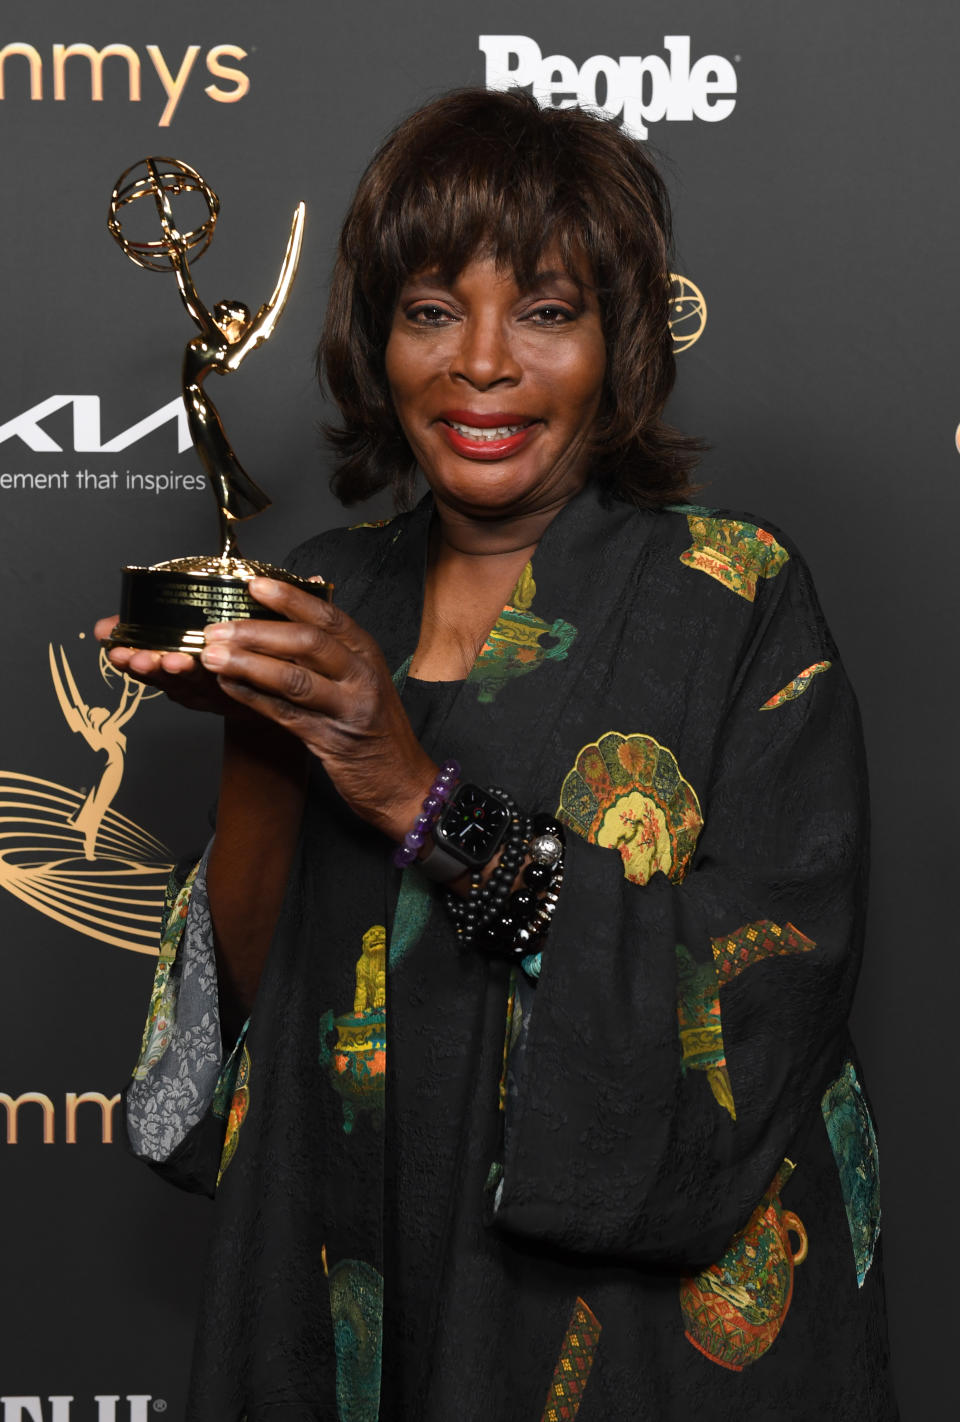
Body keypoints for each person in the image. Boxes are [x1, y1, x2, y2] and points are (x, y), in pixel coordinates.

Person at [98, 89, 898, 1421]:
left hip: (612, 1353)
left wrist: (417, 793)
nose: (480, 362)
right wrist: (258, 744)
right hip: (354, 1295)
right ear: (379, 338)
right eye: (428, 310)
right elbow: (238, 1043)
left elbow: (758, 1012)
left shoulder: (731, 597)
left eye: (546, 309)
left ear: (620, 342)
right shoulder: (324, 591)